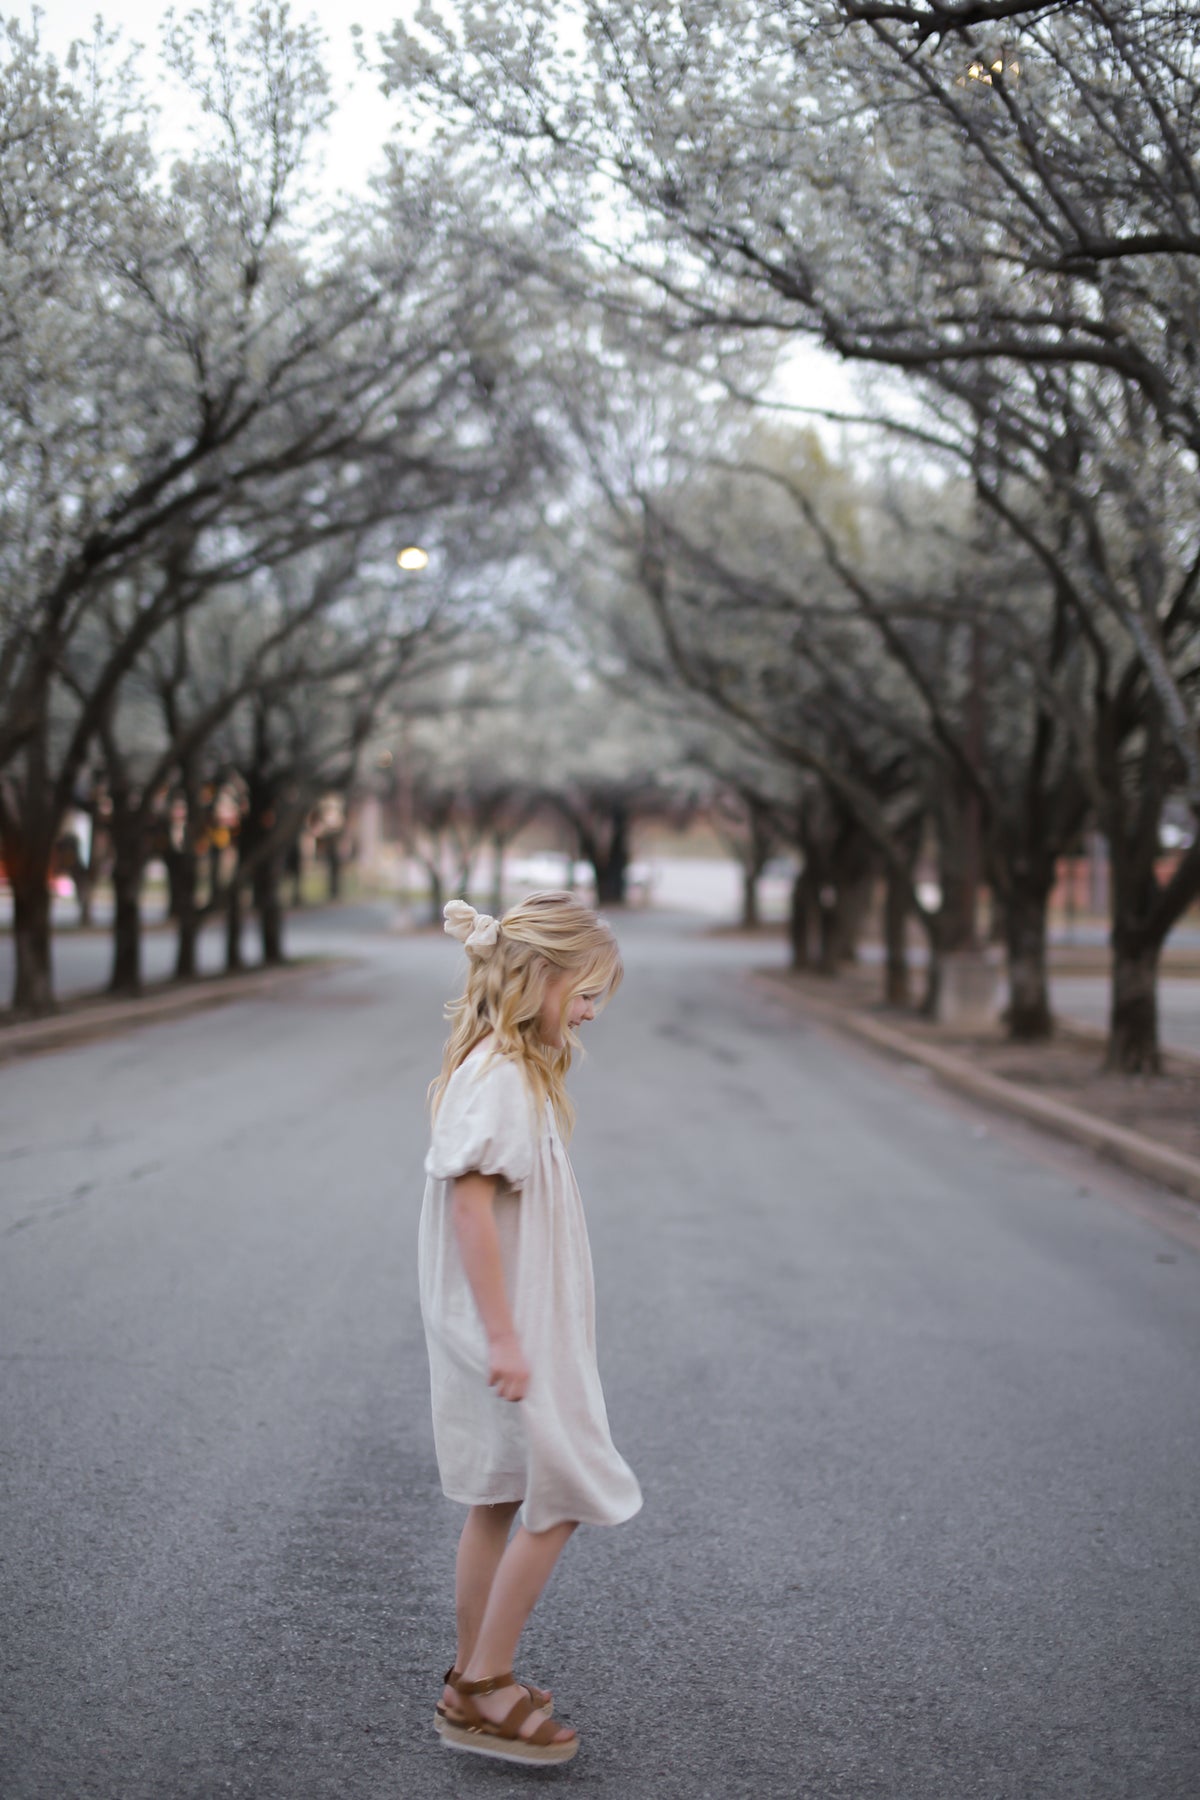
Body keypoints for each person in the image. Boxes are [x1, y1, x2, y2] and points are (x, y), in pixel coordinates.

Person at [418, 890, 642, 1766]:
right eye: (583, 993)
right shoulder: (502, 1078)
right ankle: (486, 1683)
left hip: (508, 1323)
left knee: (501, 1494)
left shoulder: (504, 1065)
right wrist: (506, 1338)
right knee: (569, 1488)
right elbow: (470, 1208)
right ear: (540, 977)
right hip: (512, 1330)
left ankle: (469, 1680)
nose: (590, 1013)